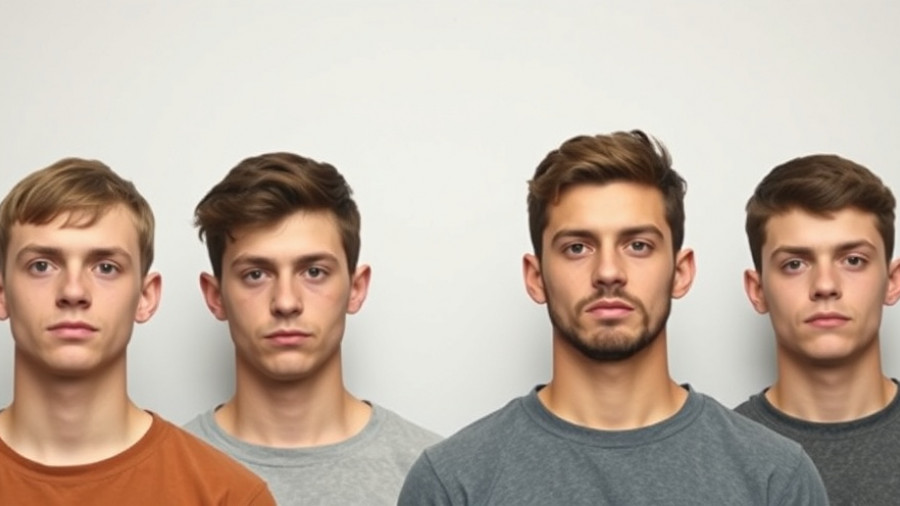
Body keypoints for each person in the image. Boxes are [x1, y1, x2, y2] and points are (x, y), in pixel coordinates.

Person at [398, 130, 828, 505]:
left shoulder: (776, 476)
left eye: (638, 245)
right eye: (577, 248)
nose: (608, 273)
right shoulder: (453, 482)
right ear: (536, 277)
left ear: (681, 272)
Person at [0, 158, 275, 505]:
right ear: (2, 294)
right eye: (41, 265)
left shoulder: (228, 496)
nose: (73, 291)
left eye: (105, 267)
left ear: (146, 297)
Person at [185, 151, 441, 505]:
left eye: (314, 272)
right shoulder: (164, 474)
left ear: (356, 288)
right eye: (255, 274)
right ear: (216, 297)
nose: (286, 301)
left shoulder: (436, 473)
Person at [735, 155, 900, 505]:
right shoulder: (716, 453)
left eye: (853, 260)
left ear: (892, 281)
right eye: (794, 264)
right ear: (758, 290)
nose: (825, 285)